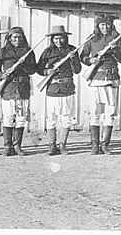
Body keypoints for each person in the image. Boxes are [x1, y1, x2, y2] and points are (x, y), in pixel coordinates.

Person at [80, 14, 121, 155]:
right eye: (102, 25)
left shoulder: (117, 39)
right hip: (95, 78)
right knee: (95, 113)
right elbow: (83, 56)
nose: (105, 27)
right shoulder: (91, 39)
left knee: (110, 113)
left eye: (107, 25)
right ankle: (95, 145)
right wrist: (91, 61)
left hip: (111, 79)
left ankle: (105, 145)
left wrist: (114, 50)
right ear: (98, 26)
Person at [37, 25, 82, 155]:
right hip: (52, 89)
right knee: (51, 119)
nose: (58, 41)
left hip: (67, 89)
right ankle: (52, 146)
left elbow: (77, 70)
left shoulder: (72, 50)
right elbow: (39, 69)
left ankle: (62, 146)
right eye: (56, 38)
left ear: (65, 38)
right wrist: (48, 71)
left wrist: (73, 58)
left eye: (61, 38)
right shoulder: (47, 52)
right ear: (52, 39)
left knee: (66, 118)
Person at [0, 26, 37, 156]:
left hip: (22, 88)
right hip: (8, 88)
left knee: (21, 118)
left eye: (19, 37)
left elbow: (33, 69)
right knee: (8, 117)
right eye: (14, 37)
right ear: (10, 38)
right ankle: (7, 146)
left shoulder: (28, 52)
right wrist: (2, 76)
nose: (17, 39)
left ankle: (17, 146)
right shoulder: (3, 52)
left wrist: (23, 65)